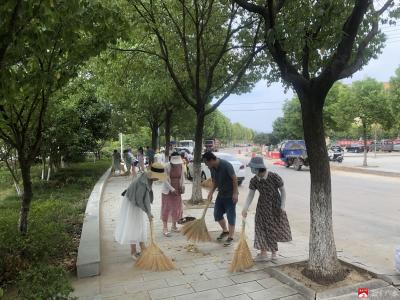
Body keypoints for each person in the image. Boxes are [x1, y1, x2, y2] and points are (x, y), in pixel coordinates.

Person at [242, 156, 292, 261]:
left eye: (252, 168)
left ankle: (274, 253)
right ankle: (263, 252)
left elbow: (283, 191)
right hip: (262, 206)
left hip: (275, 206)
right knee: (260, 227)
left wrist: (282, 206)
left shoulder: (274, 177)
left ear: (258, 168)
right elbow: (250, 195)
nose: (251, 170)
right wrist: (245, 208)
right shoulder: (254, 180)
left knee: (271, 228)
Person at [114, 162, 166, 260]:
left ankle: (143, 248)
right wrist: (148, 213)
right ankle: (133, 251)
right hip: (132, 203)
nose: (158, 179)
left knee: (141, 224)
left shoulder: (148, 177)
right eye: (158, 177)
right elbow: (139, 200)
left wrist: (149, 212)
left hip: (138, 201)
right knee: (134, 225)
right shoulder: (142, 182)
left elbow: (145, 198)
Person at [203, 151, 238, 247]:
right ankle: (225, 231)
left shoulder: (226, 165)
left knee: (231, 216)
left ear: (211, 160)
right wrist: (211, 192)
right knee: (217, 214)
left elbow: (234, 179)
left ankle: (230, 236)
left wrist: (235, 193)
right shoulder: (212, 168)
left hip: (230, 195)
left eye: (206, 163)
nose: (206, 165)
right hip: (221, 194)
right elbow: (215, 182)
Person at [161, 152, 185, 236]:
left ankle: (174, 226)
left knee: (177, 208)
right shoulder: (166, 166)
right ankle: (165, 228)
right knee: (166, 208)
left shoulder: (181, 165)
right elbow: (164, 179)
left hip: (177, 189)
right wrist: (171, 189)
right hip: (167, 190)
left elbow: (182, 177)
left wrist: (182, 186)